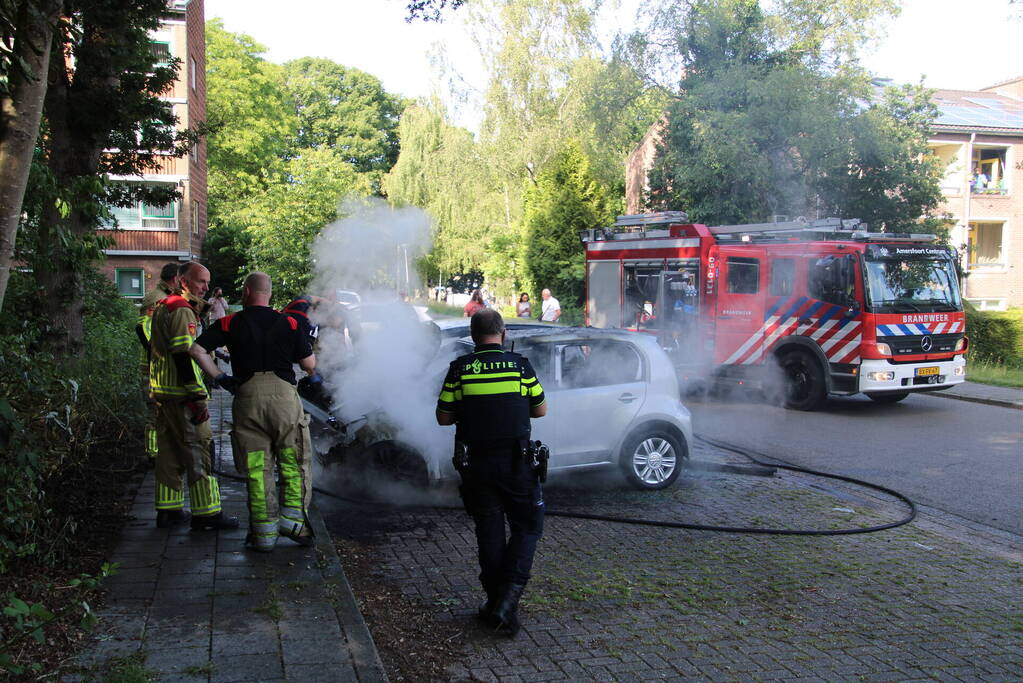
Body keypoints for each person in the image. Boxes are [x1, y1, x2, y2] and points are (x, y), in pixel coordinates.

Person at [436, 309, 547, 636]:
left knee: (489, 532)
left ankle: (498, 605)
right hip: (517, 465)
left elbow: (443, 418)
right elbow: (540, 409)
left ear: (473, 336)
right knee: (527, 527)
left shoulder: (459, 370)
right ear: (504, 332)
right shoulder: (520, 366)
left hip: (478, 467)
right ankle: (506, 600)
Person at [190, 272, 319, 552]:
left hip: (246, 397)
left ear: (247, 292)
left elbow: (197, 349)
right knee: (293, 461)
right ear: (269, 294)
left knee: (257, 467)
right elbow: (309, 364)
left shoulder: (230, 322)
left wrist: (220, 377)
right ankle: (294, 523)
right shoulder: (290, 321)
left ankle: (263, 533)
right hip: (284, 398)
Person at [148, 261, 238, 531]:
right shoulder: (181, 311)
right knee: (199, 452)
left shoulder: (165, 305)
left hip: (164, 392)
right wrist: (197, 396)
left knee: (169, 454)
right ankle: (207, 514)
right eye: (201, 282)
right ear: (183, 281)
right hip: (182, 395)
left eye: (208, 282)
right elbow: (183, 355)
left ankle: (169, 510)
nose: (206, 287)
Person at [136, 262, 180, 460]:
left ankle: (164, 449)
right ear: (175, 279)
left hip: (160, 364)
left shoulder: (167, 297)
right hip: (152, 366)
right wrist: (156, 353)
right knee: (155, 411)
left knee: (164, 410)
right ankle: (153, 454)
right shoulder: (157, 300)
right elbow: (144, 329)